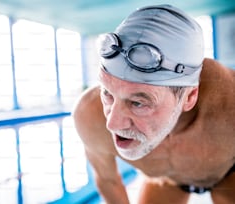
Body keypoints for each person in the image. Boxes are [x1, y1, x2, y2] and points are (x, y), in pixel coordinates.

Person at [72, 4, 235, 204]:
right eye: (108, 93)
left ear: (190, 97)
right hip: (167, 181)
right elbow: (108, 181)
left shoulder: (230, 105)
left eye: (138, 103)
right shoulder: (89, 114)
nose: (112, 124)